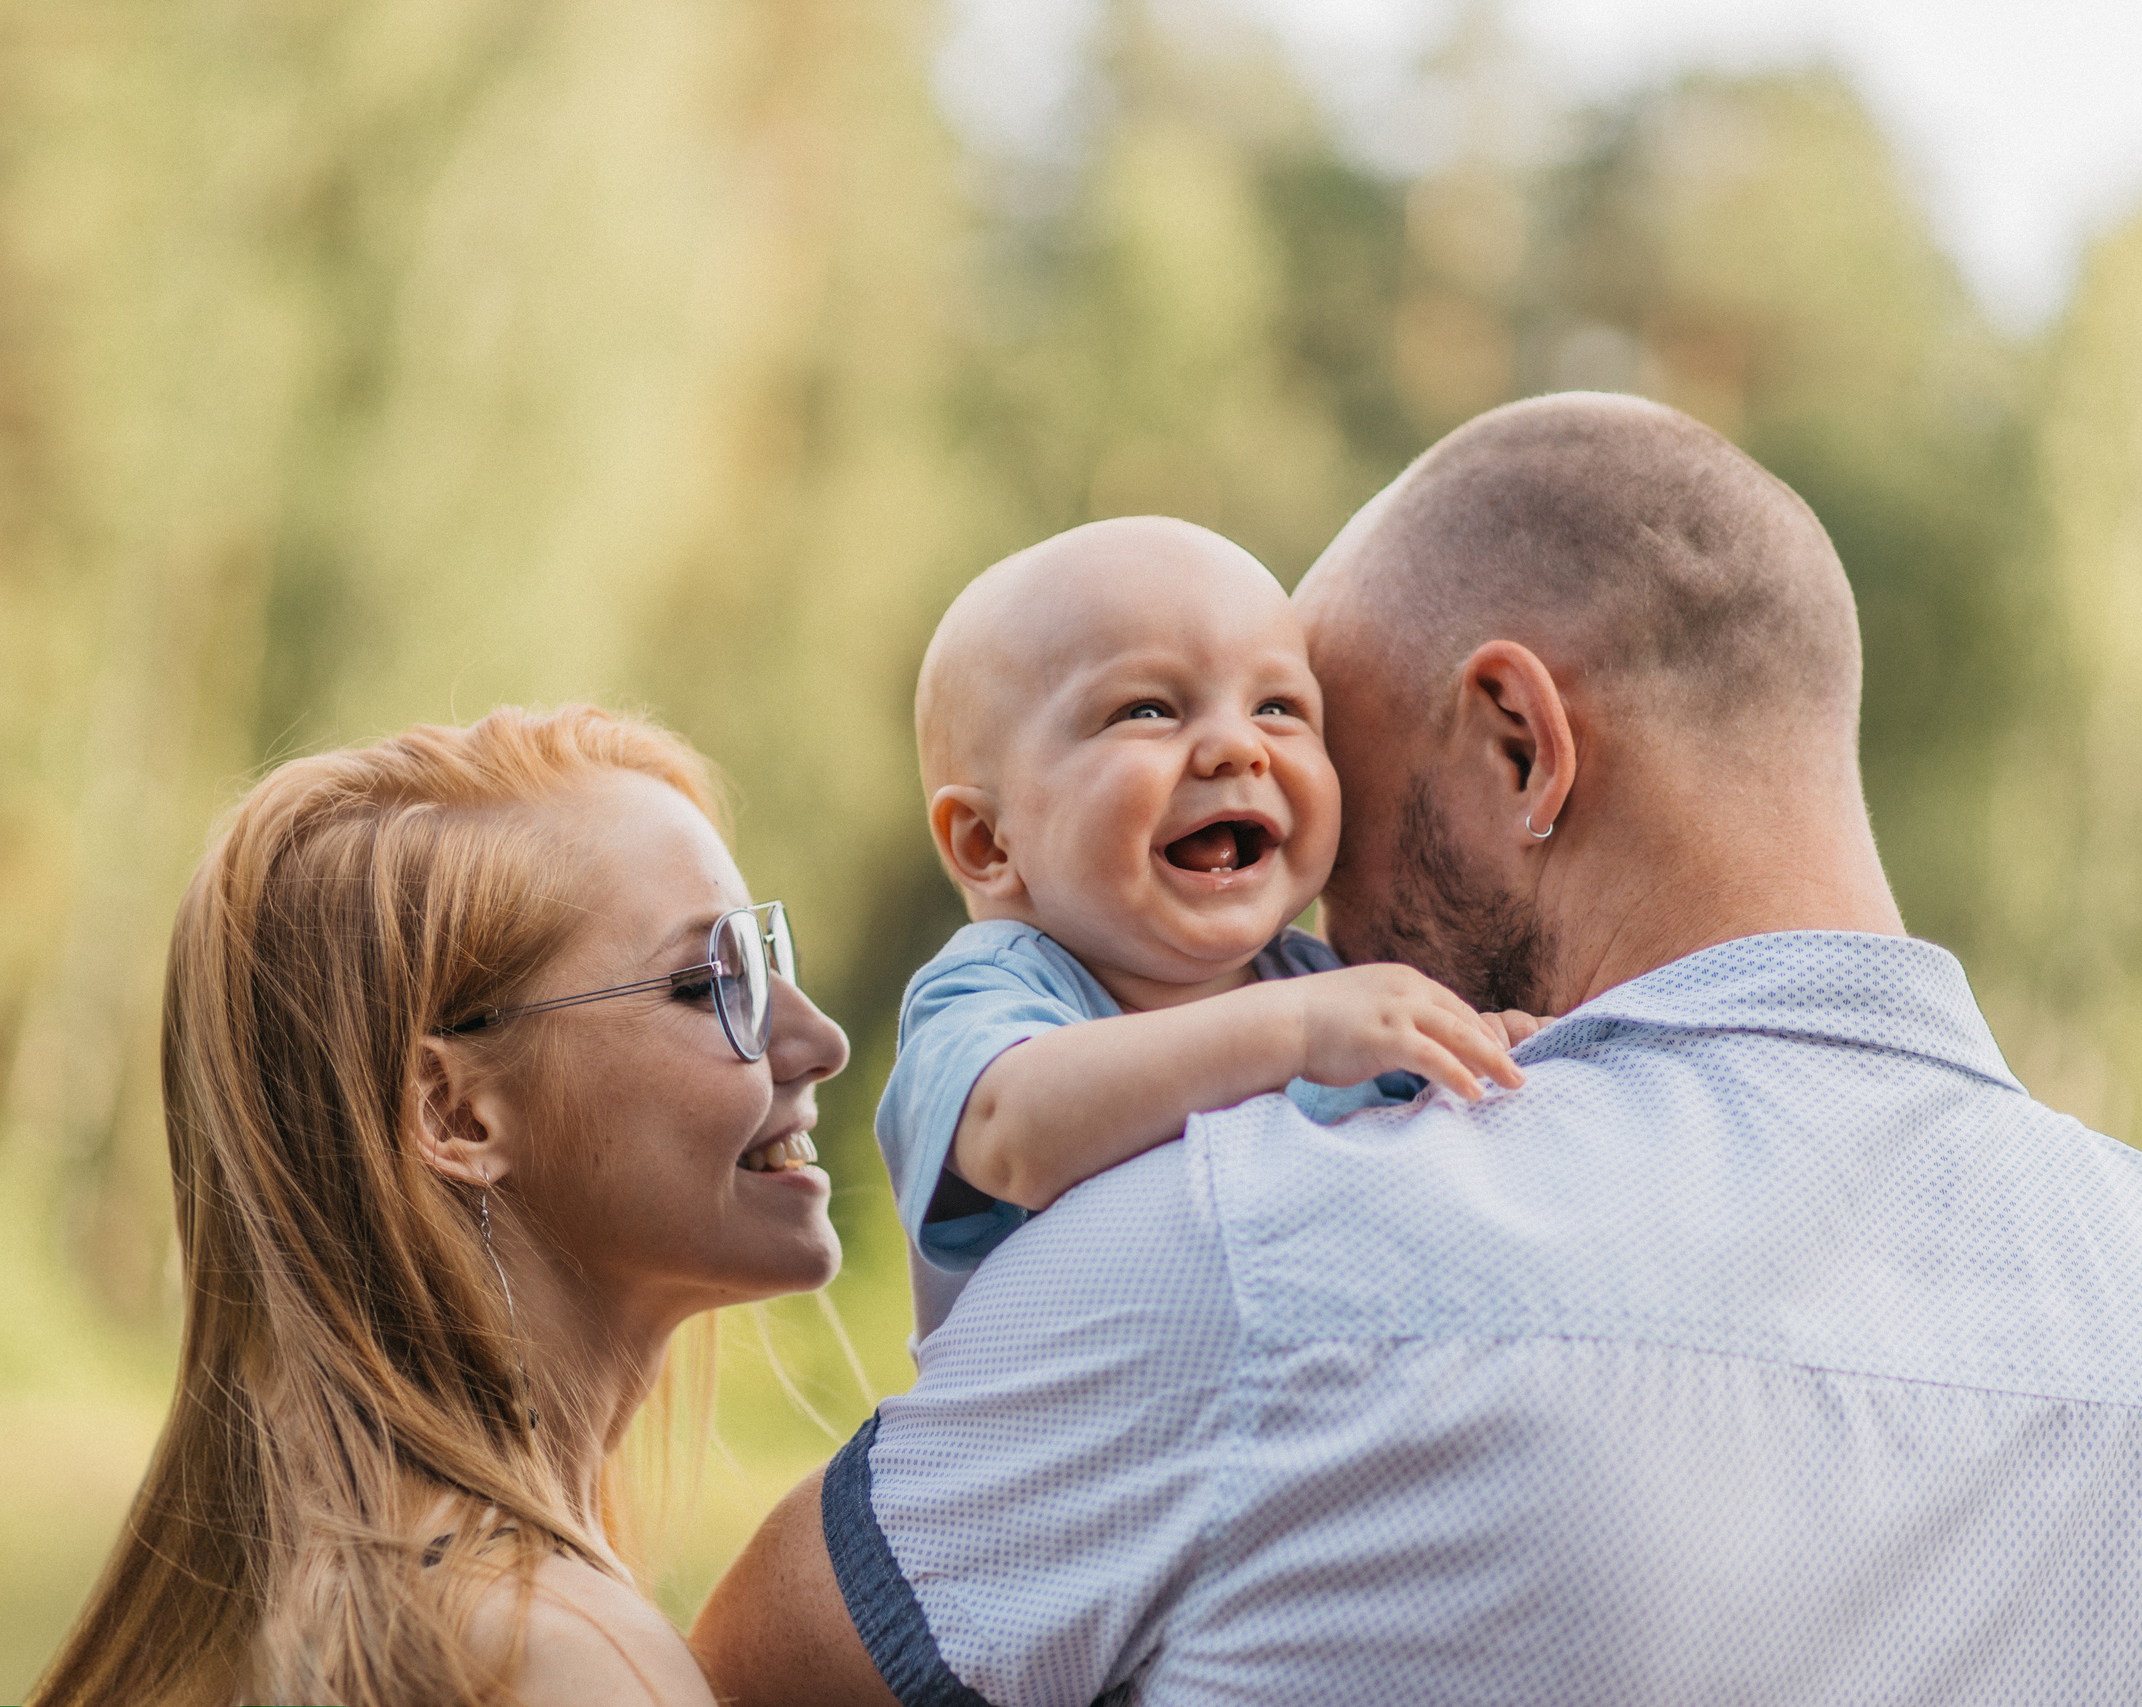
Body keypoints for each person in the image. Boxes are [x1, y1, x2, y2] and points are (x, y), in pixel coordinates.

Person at [694, 394, 2142, 1705]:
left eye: (1345, 785)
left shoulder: (1252, 1233)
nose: (1322, 911)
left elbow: (749, 1678)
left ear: (1520, 744)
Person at [32, 705, 850, 1707]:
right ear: (454, 1112)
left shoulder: (330, 1599)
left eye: (765, 959)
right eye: (709, 982)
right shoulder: (549, 1655)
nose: (819, 1040)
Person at [883, 516, 1529, 1346]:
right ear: (988, 842)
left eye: (1278, 706)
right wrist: (1297, 1031)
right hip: (1062, 1455)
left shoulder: (1321, 986)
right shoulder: (992, 991)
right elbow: (1011, 1135)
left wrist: (1481, 1050)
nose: (1236, 746)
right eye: (1147, 709)